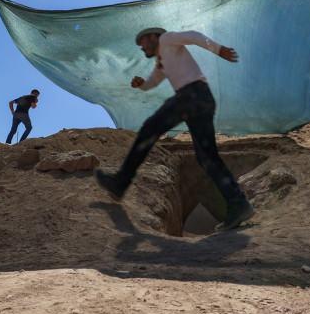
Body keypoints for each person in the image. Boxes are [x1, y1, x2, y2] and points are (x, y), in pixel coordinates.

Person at [95, 28, 254, 232]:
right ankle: (238, 204)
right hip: (202, 100)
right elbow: (154, 81)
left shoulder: (167, 39)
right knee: (207, 158)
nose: (141, 46)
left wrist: (218, 49)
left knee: (149, 130)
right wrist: (142, 85)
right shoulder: (162, 58)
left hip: (191, 95)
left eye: (142, 41)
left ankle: (120, 182)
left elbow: (194, 36)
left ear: (154, 36)